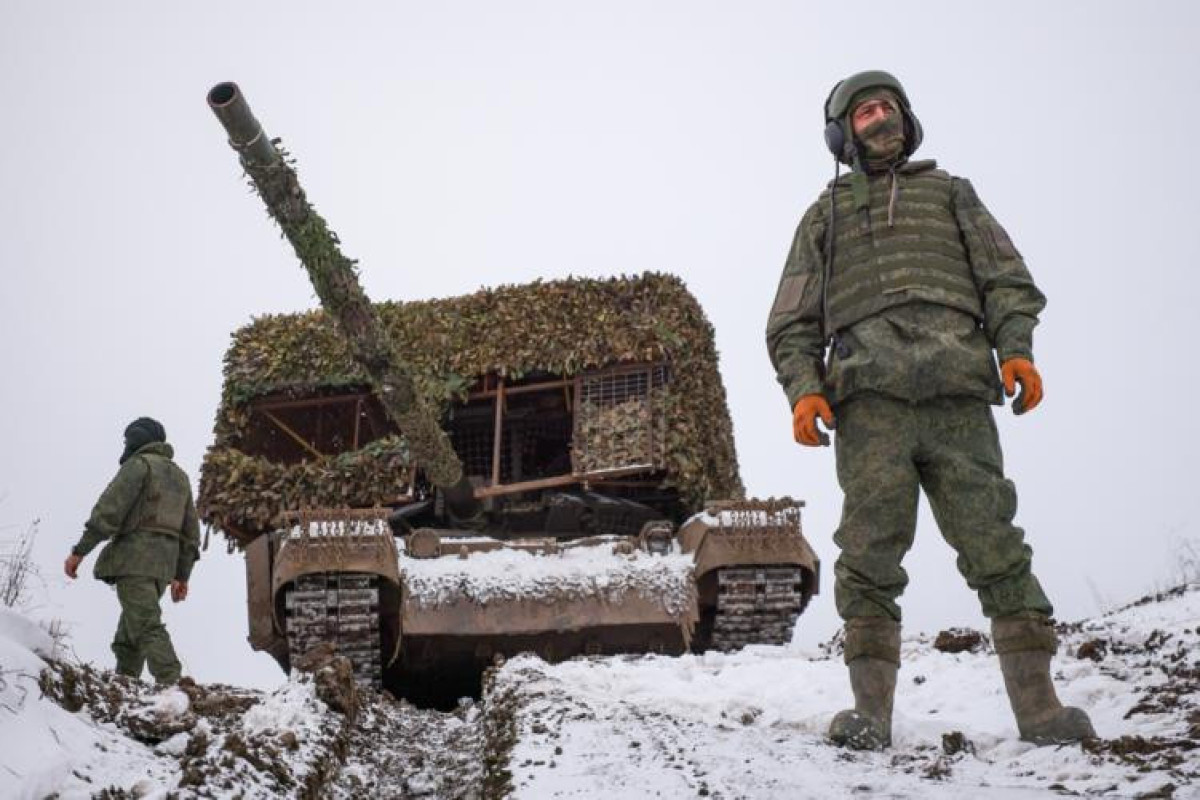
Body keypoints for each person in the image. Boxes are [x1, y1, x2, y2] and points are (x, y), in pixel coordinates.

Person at [765, 70, 1094, 749]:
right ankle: (871, 716)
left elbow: (1006, 280)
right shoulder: (824, 216)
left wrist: (1017, 352)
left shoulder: (951, 195)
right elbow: (791, 322)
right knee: (869, 555)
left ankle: (1039, 711)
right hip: (871, 406)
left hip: (958, 396)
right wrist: (804, 391)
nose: (877, 118)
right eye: (863, 113)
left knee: (995, 544)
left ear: (907, 118)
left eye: (886, 107)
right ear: (841, 134)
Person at [64, 417, 201, 684]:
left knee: (146, 624)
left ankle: (172, 681)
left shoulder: (138, 466)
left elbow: (108, 512)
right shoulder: (180, 477)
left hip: (134, 562)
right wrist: (182, 576)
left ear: (139, 439)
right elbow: (190, 535)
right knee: (130, 630)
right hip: (162, 569)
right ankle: (126, 684)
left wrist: (79, 551)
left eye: (129, 439)